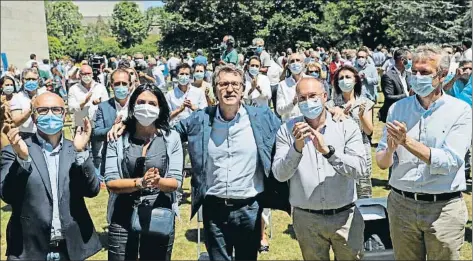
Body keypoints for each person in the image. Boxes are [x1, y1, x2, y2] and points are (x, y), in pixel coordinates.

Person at [173, 64, 287, 260]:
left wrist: (331, 115)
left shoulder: (262, 117)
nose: (229, 89)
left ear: (243, 88)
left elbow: (289, 134)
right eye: (223, 84)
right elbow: (169, 133)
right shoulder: (200, 118)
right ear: (215, 89)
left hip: (249, 207)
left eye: (235, 84)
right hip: (213, 207)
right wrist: (129, 124)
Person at [375, 45, 472, 261]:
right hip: (402, 205)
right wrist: (391, 148)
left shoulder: (460, 111)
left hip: (443, 209)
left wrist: (406, 141)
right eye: (414, 72)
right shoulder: (398, 108)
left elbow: (449, 161)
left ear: (443, 75)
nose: (417, 77)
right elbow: (382, 162)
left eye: (425, 72)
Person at [272, 77, 367, 261]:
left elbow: (361, 169)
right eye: (302, 98)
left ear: (325, 96)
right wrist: (296, 148)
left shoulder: (346, 125)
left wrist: (329, 153)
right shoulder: (287, 130)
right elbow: (280, 174)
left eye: (313, 96)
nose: (308, 102)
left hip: (345, 216)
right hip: (307, 218)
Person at [1, 92, 101, 260]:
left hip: (69, 248)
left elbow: (92, 190)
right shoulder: (15, 150)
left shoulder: (74, 148)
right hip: (29, 249)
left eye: (56, 110)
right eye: (43, 110)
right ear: (33, 117)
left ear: (63, 116)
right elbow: (8, 195)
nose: (50, 114)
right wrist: (22, 160)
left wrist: (80, 153)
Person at [104, 84, 183, 261]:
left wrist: (157, 181)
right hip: (122, 214)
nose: (146, 107)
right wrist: (140, 183)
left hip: (159, 213)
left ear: (160, 107)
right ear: (132, 105)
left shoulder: (171, 138)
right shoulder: (117, 137)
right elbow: (111, 182)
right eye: (141, 102)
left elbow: (176, 182)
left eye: (152, 103)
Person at [326, 65, 374, 199]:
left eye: (348, 77)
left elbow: (369, 131)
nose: (344, 80)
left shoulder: (365, 102)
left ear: (356, 80)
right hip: (339, 150)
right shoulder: (330, 105)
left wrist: (361, 116)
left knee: (363, 189)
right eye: (341, 78)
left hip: (361, 150)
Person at [68, 65, 109, 180]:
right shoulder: (74, 89)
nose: (86, 76)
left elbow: (106, 106)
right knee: (82, 151)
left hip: (97, 122)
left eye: (88, 74)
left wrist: (98, 103)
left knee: (98, 152)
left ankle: (98, 177)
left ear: (92, 74)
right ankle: (84, 177)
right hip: (81, 121)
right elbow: (71, 108)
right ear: (79, 75)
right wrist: (84, 102)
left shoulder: (100, 87)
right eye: (83, 74)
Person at [93, 69, 133, 177]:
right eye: (117, 84)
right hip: (112, 161)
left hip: (134, 158)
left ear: (130, 85)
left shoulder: (137, 105)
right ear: (111, 86)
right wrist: (112, 128)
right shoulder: (104, 107)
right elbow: (97, 133)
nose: (121, 86)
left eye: (124, 84)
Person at [10, 68, 46, 139]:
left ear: (38, 80)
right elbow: (15, 122)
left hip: (44, 133)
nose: (31, 81)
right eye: (28, 79)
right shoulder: (17, 98)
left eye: (33, 79)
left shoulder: (44, 95)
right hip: (26, 135)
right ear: (22, 80)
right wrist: (30, 110)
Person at [379, 48, 412, 123]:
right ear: (402, 60)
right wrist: (407, 94)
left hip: (408, 111)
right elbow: (389, 96)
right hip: (394, 114)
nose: (411, 62)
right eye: (409, 59)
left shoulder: (408, 74)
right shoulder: (388, 76)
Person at [277, 53, 306, 122]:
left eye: (298, 60)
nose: (295, 63)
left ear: (303, 64)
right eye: (292, 61)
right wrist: (293, 103)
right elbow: (279, 111)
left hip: (308, 123)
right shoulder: (282, 85)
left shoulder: (311, 81)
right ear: (289, 66)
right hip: (290, 124)